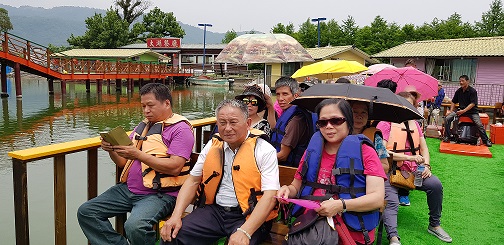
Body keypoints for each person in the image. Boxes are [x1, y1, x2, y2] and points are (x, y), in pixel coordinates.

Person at [77, 83, 195, 245]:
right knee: (87, 212)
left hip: (160, 194)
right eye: (143, 106)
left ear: (167, 103)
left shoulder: (180, 129)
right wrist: (111, 149)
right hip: (128, 190)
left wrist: (138, 155)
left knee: (135, 226)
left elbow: (175, 167)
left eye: (150, 105)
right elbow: (122, 163)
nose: (146, 110)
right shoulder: (143, 126)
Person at [160, 99, 279, 245]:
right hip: (215, 211)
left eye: (233, 122)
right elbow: (193, 180)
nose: (227, 128)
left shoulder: (264, 150)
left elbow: (270, 195)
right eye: (222, 123)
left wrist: (245, 231)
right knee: (173, 234)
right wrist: (176, 215)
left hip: (248, 214)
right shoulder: (213, 145)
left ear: (248, 123)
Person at [276, 98, 386, 245]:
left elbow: (377, 198)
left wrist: (340, 205)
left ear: (348, 121)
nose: (328, 126)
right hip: (311, 226)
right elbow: (295, 187)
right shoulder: (312, 151)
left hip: (349, 230)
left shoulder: (365, 152)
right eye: (322, 122)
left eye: (336, 121)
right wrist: (287, 190)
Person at [377, 91, 452, 245]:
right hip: (391, 172)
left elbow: (424, 149)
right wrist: (409, 157)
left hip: (414, 171)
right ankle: (393, 237)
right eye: (401, 103)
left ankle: (434, 224)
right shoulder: (385, 124)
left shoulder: (415, 125)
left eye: (409, 104)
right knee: (391, 202)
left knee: (435, 185)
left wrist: (426, 165)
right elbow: (382, 152)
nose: (405, 107)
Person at [270, 77, 316, 167]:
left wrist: (259, 159)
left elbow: (283, 155)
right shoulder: (287, 112)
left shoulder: (296, 120)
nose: (280, 98)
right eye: (278, 94)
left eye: (285, 94)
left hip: (289, 169)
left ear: (295, 96)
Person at [443, 75, 492, 147]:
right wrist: (451, 110)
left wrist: (464, 111)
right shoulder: (459, 91)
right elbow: (453, 101)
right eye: (460, 81)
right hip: (460, 111)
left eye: (462, 81)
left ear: (467, 81)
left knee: (479, 124)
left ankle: (486, 140)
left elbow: (473, 104)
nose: (461, 82)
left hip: (472, 112)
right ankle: (448, 136)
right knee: (447, 119)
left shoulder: (473, 91)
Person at [351, 101, 390, 173]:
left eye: (363, 112)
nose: (359, 116)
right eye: (355, 112)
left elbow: (385, 167)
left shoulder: (374, 137)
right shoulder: (337, 134)